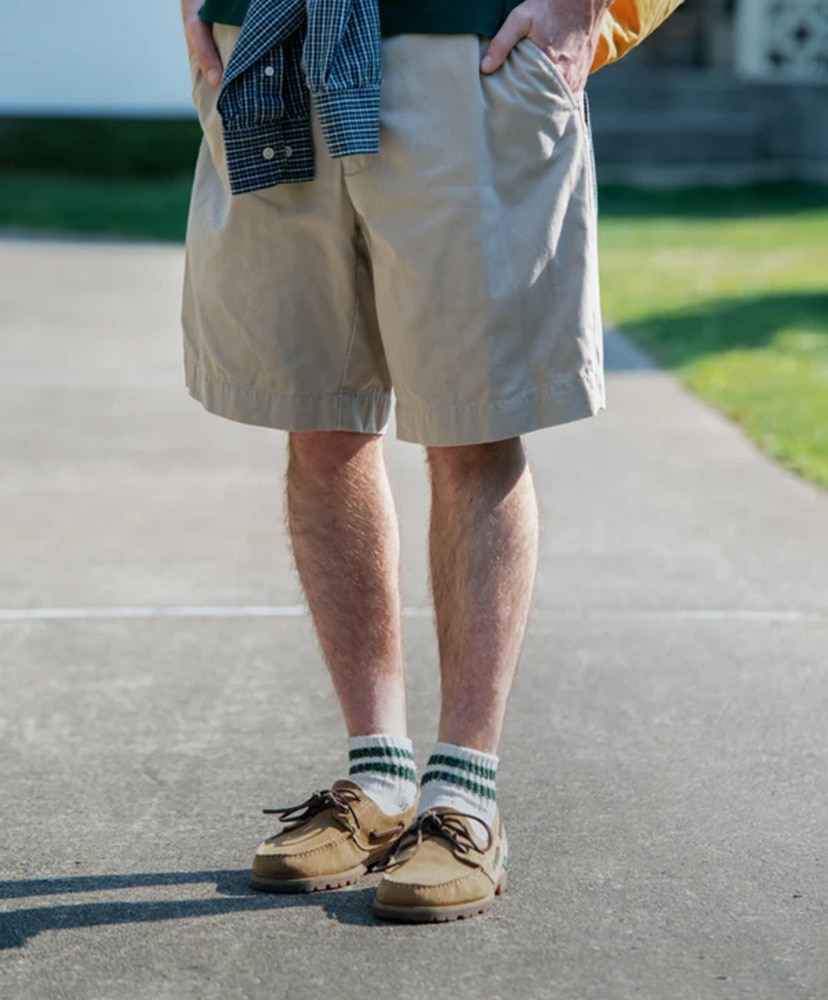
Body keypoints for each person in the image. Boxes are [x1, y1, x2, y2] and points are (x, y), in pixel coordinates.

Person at [180, 0, 681, 924]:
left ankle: (464, 795)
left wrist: (592, 9)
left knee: (470, 424)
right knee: (320, 423)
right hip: (274, 44)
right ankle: (378, 780)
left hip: (468, 55)